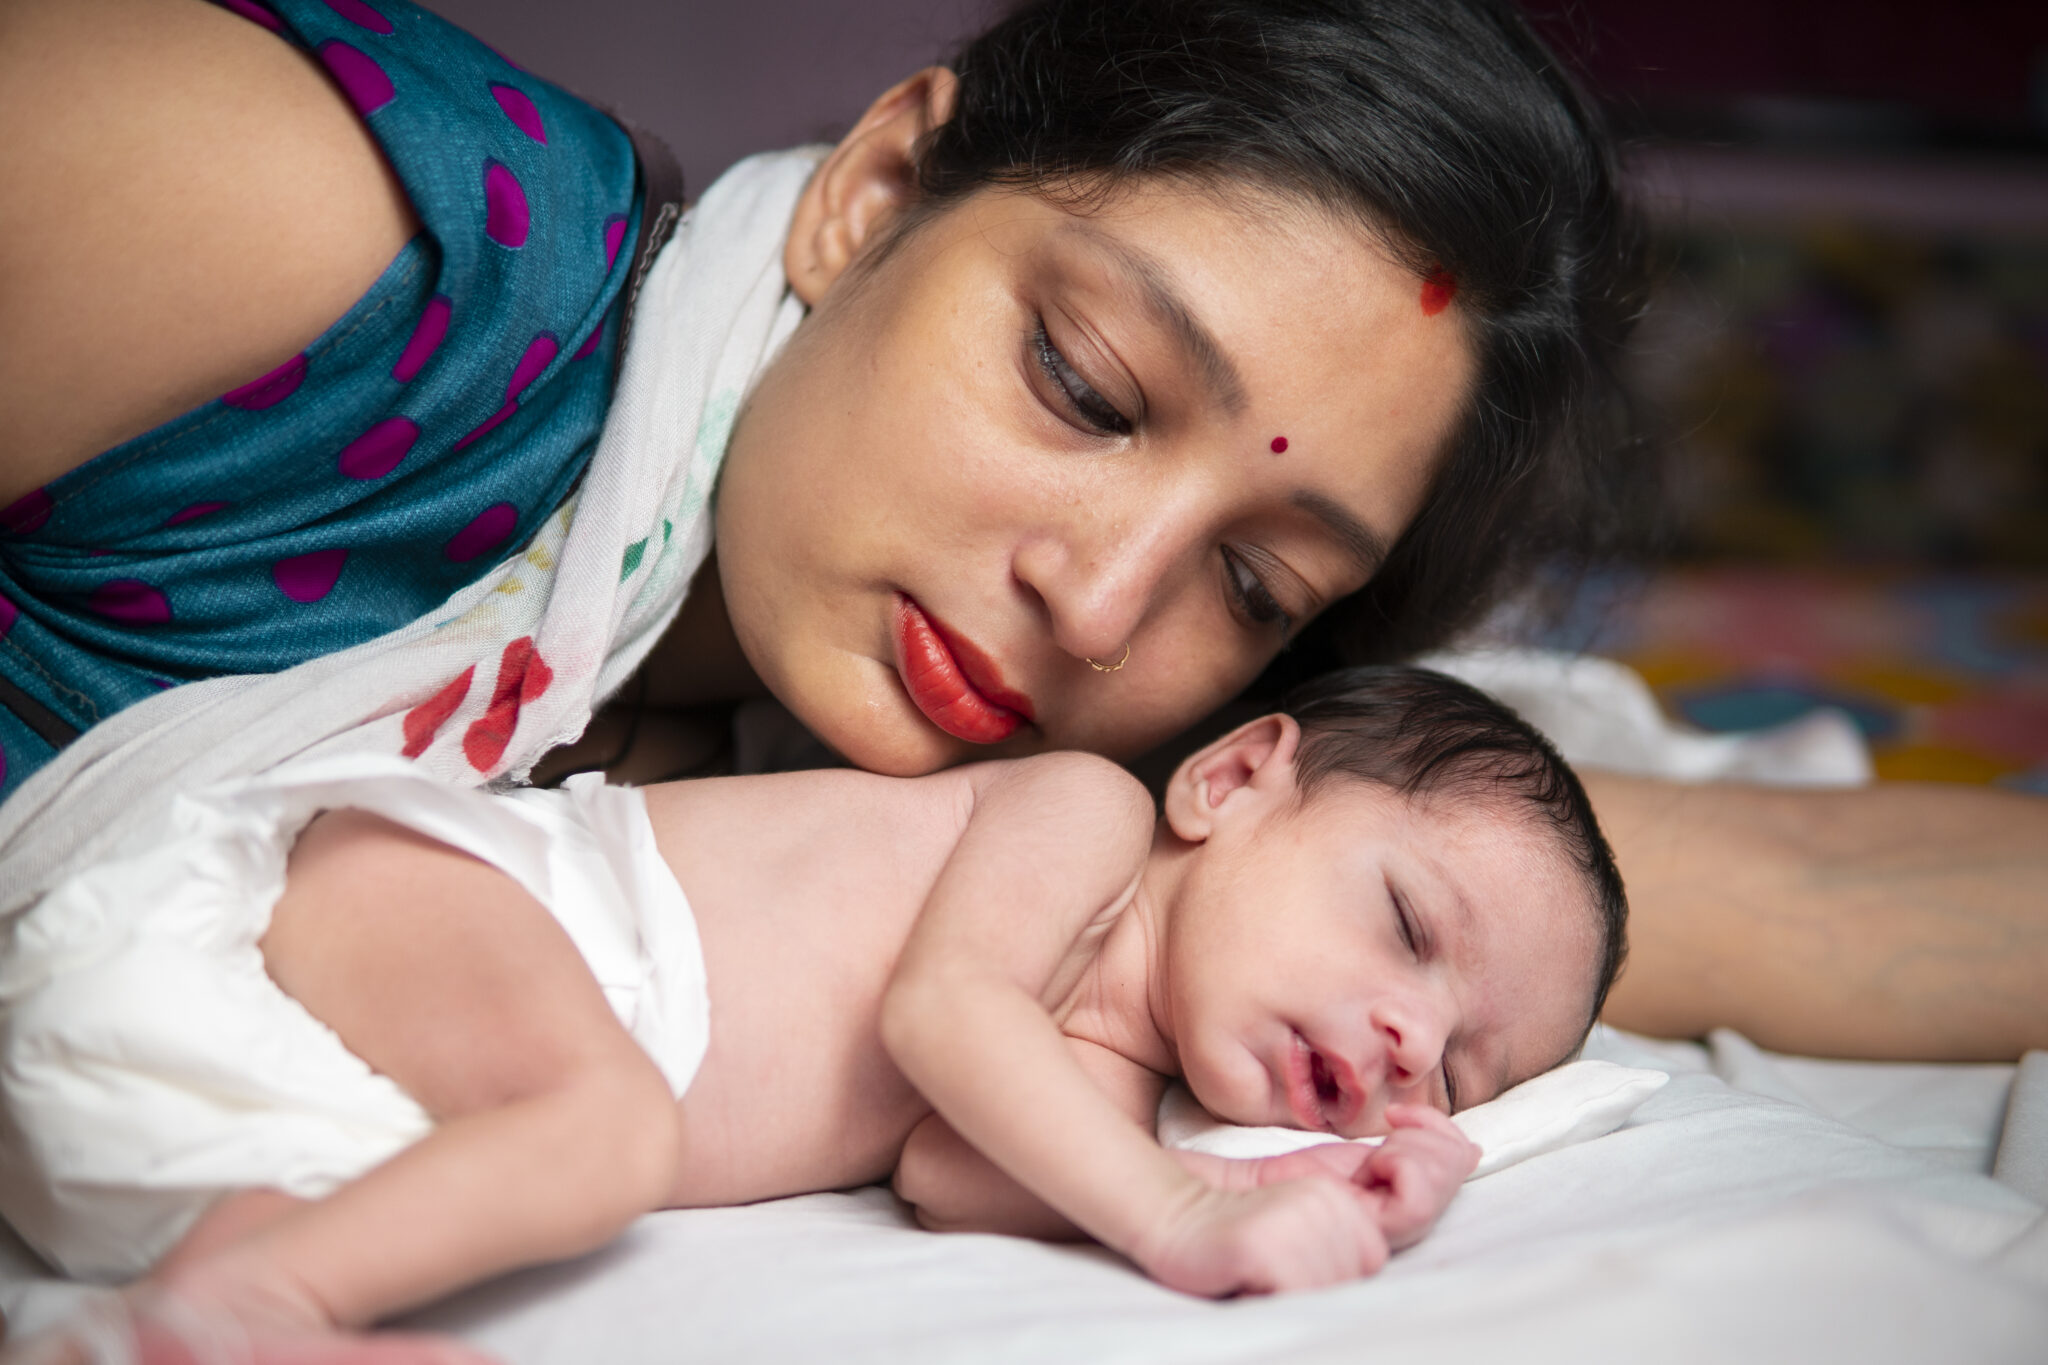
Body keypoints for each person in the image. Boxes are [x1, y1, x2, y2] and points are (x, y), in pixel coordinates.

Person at [0, 0, 2041, 1068]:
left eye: (1257, 579)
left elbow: (1773, 886)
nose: (1098, 592)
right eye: (1080, 386)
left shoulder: (1097, 794)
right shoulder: (359, 236)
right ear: (877, 188)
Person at [0, 667, 1625, 1363]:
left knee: (586, 1126)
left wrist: (1297, 1185)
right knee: (607, 1134)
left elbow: (949, 1169)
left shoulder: (1099, 1079)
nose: (1411, 1033)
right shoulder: (1082, 820)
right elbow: (943, 1014)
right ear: (1234, 778)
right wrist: (1187, 1212)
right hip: (460, 889)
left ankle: (239, 1271)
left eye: (1461, 1065)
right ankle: (247, 1294)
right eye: (1408, 925)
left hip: (458, 1010)